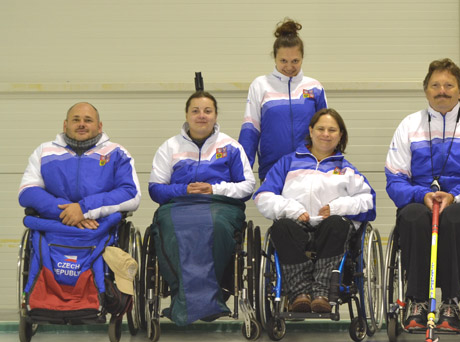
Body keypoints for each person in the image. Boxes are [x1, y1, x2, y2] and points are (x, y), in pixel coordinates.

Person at [385, 58, 460, 332]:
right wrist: (420, 195)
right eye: (435, 85)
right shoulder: (409, 126)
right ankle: (416, 301)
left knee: (455, 216)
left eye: (449, 85)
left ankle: (451, 301)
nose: (442, 91)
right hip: (422, 201)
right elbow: (395, 177)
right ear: (426, 90)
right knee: (413, 217)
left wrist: (456, 196)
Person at [148, 91, 255, 325]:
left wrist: (214, 189)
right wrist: (183, 190)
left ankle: (209, 297)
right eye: (195, 111)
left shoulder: (231, 147)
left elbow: (247, 186)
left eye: (207, 111)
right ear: (187, 114)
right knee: (170, 230)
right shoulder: (170, 147)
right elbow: (155, 190)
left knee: (215, 227)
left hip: (220, 206)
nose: (201, 116)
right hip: (179, 205)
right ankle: (188, 298)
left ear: (216, 116)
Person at [254, 108, 375, 313]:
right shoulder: (287, 162)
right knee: (281, 227)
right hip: (296, 225)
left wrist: (338, 207)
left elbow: (368, 201)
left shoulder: (346, 170)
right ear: (311, 131)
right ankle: (299, 293)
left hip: (330, 229)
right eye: (320, 128)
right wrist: (290, 208)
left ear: (340, 135)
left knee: (337, 224)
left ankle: (322, 293)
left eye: (332, 130)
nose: (325, 134)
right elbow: (262, 196)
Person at [19, 102, 141, 227]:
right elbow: (27, 191)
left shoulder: (117, 153)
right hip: (54, 223)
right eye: (76, 120)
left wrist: (84, 209)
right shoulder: (44, 151)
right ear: (65, 125)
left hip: (101, 225)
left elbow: (131, 194)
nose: (81, 124)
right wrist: (69, 213)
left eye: (88, 120)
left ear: (99, 127)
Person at [239, 18, 328, 182]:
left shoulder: (315, 87)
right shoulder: (260, 85)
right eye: (283, 61)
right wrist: (241, 174)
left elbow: (327, 131)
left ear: (302, 58)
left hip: (310, 172)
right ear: (274, 58)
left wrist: (329, 167)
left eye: (295, 61)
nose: (289, 67)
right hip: (272, 172)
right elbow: (250, 132)